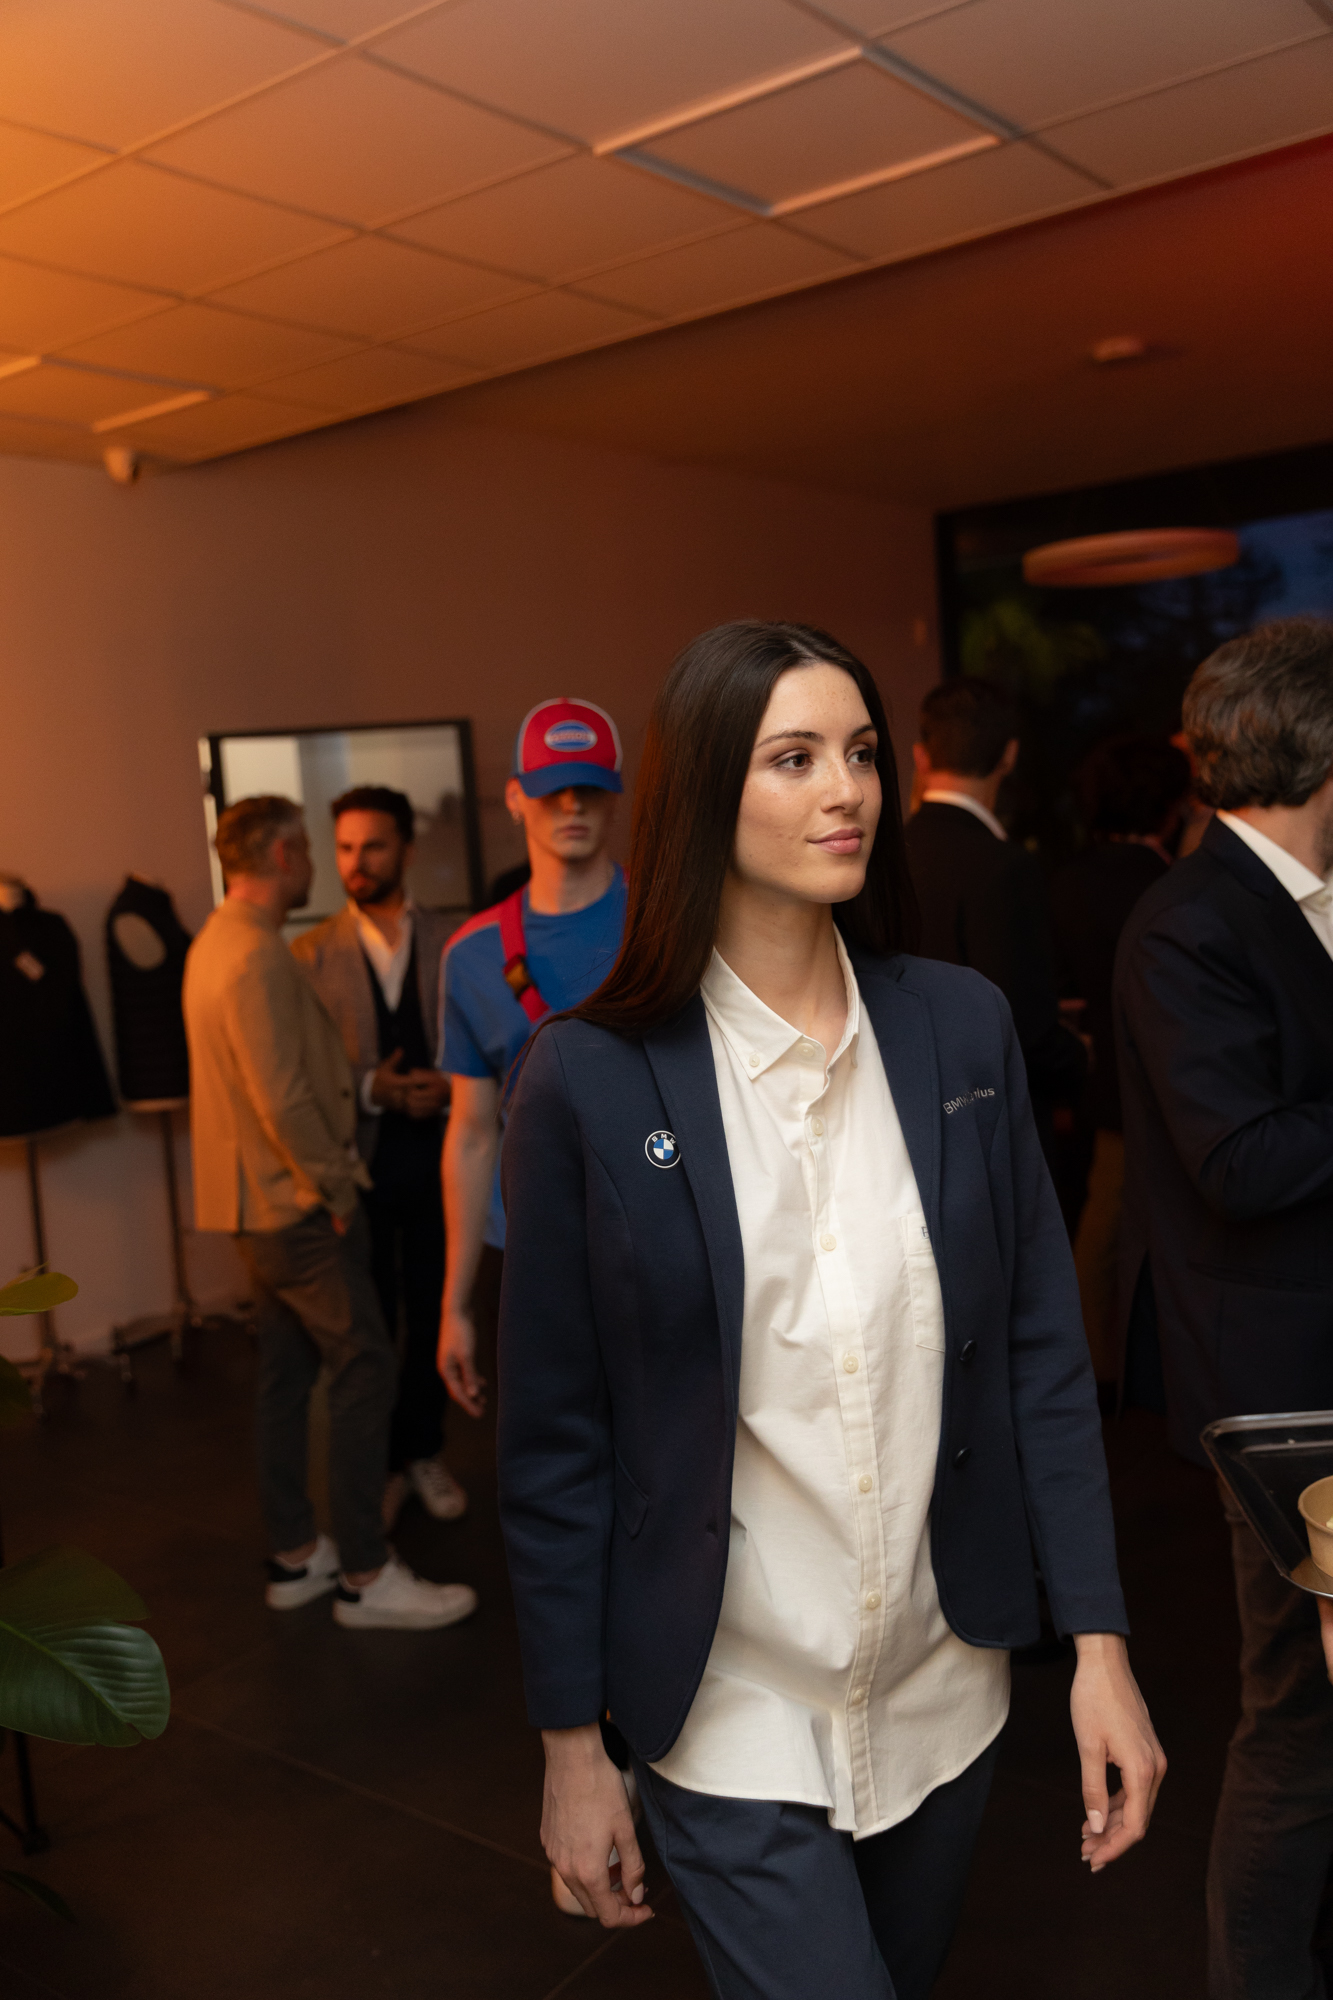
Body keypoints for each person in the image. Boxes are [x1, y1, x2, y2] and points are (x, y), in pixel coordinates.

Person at [497, 622, 1165, 1998]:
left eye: (858, 753)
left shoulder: (959, 1029)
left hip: (942, 1686)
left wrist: (1099, 1646)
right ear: (705, 794)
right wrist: (571, 1743)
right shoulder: (590, 1079)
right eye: (793, 758)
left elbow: (1040, 1355)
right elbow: (554, 1442)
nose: (846, 790)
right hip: (725, 1702)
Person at [1114, 617, 1333, 2000]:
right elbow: (1240, 1160)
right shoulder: (1189, 921)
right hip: (1285, 1396)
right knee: (1297, 1721)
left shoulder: (1300, 897)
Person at [183, 794, 476, 1633]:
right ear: (283, 856)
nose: (323, 863)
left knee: (285, 1377)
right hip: (298, 1206)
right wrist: (338, 1189)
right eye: (315, 849)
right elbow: (282, 1099)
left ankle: (294, 1555)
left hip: (258, 1204)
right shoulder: (259, 956)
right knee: (366, 1368)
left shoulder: (217, 943)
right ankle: (364, 1572)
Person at [292, 785, 464, 1531]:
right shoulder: (308, 955)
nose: (356, 862)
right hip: (357, 1167)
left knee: (433, 1311)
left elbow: (484, 1046)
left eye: (373, 846)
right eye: (345, 848)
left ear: (407, 850)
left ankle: (423, 1450)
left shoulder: (455, 940)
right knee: (371, 1324)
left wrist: (451, 1087)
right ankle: (384, 1467)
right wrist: (373, 1089)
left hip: (443, 1161)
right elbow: (304, 1071)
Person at [1049, 735, 1190, 1389]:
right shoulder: (1173, 887)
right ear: (1169, 806)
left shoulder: (1067, 882)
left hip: (1098, 1085)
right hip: (1175, 1089)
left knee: (1102, 1230)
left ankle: (1095, 1367)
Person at [903, 679, 1086, 1162]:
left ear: (921, 758)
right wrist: (1083, 1060)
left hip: (904, 1114)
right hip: (994, 1132)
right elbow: (1022, 1028)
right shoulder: (1004, 866)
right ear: (1009, 755)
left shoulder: (887, 856)